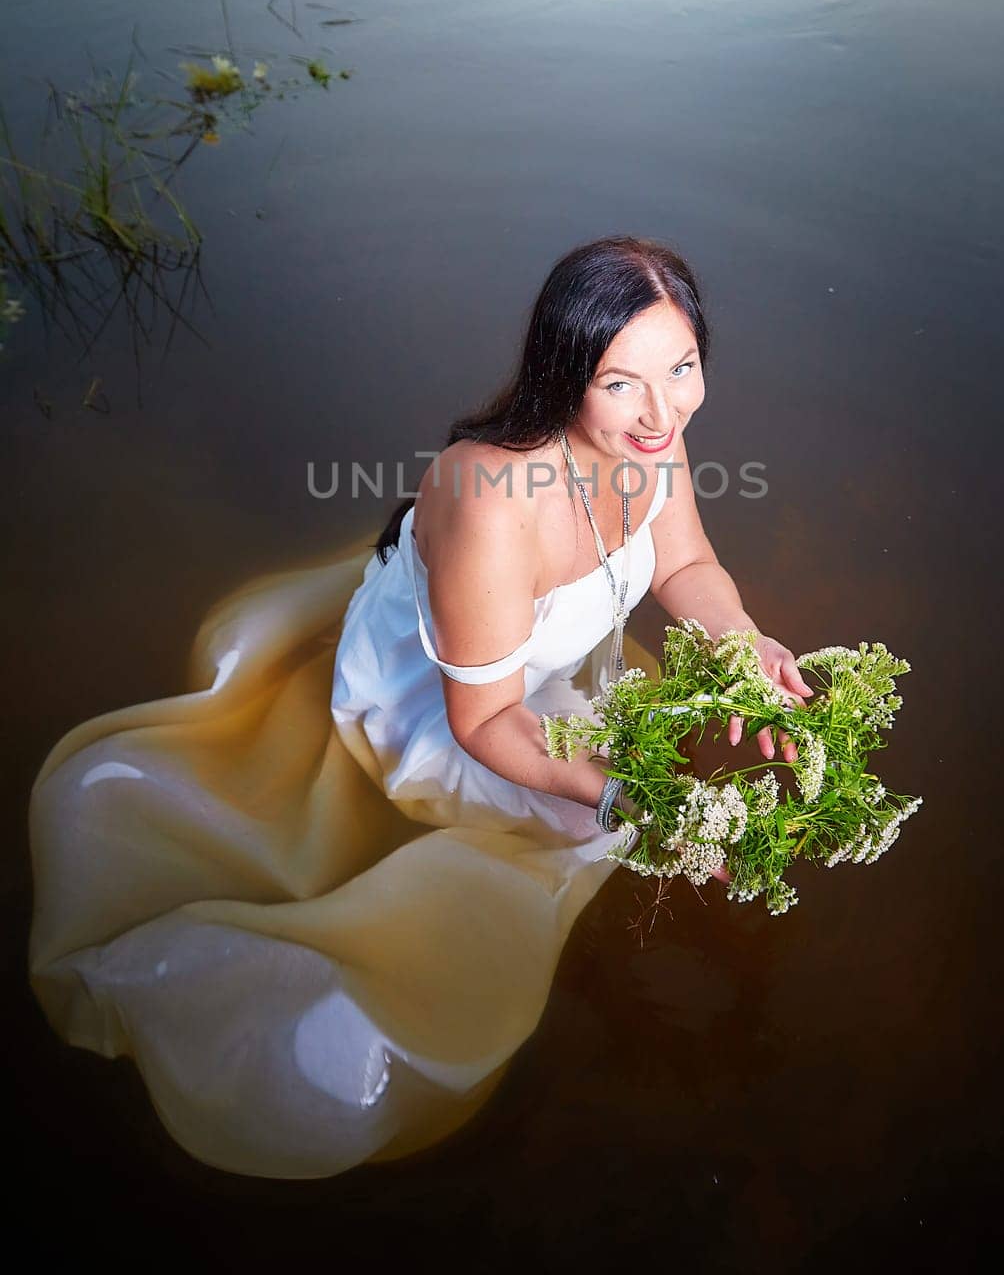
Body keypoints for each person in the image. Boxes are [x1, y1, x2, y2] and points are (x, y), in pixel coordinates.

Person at [28, 235, 809, 1180]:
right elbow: (482, 724)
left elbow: (685, 564)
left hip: (531, 670)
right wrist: (617, 802)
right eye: (621, 383)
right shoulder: (492, 501)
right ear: (566, 374)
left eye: (681, 368)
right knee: (594, 829)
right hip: (438, 710)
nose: (661, 408)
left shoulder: (654, 434)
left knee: (634, 771)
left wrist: (743, 643)